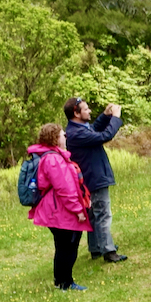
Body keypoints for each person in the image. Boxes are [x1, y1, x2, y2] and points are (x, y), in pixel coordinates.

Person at [26, 124, 92, 291]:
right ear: (54, 138)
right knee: (68, 245)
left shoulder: (53, 156)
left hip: (55, 209)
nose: (65, 137)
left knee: (63, 245)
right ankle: (66, 282)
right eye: (63, 135)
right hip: (58, 210)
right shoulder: (53, 159)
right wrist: (78, 210)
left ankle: (61, 280)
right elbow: (65, 188)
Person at [63, 97, 128, 263]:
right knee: (103, 214)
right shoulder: (76, 133)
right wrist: (115, 118)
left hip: (91, 177)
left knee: (94, 214)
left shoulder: (78, 128)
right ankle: (109, 251)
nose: (89, 111)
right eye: (86, 109)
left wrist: (105, 116)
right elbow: (104, 136)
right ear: (76, 114)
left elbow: (94, 129)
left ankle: (96, 248)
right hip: (94, 178)